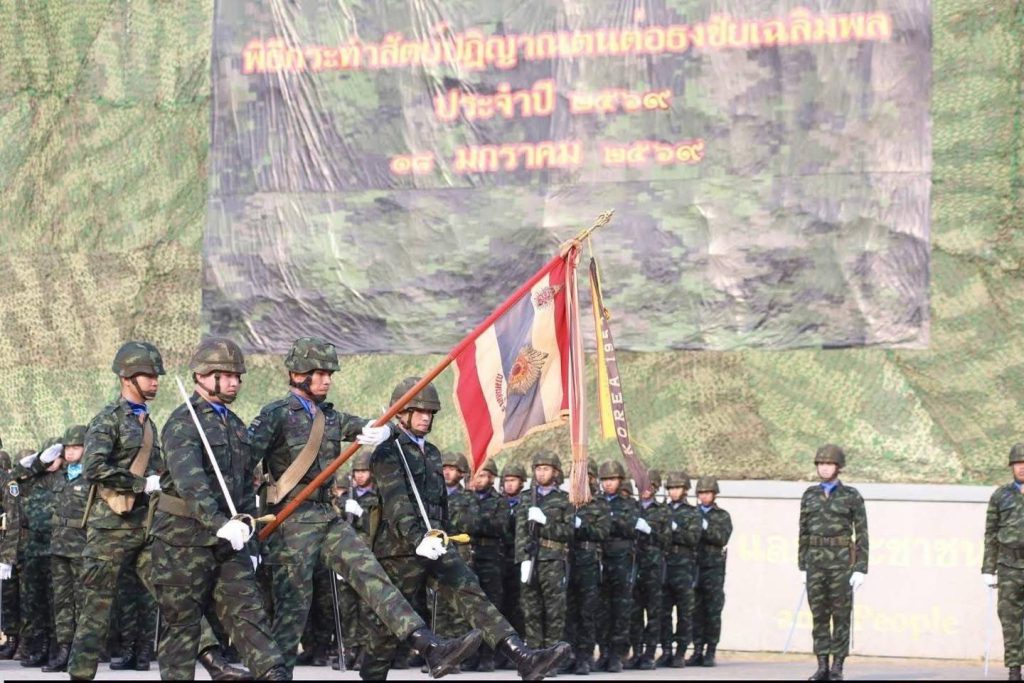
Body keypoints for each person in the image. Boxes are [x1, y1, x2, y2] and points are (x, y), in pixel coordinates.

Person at [249, 338, 480, 679]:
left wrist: (382, 430)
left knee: (373, 576)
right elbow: (243, 463)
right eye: (320, 373)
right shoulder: (276, 415)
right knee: (292, 609)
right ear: (298, 374)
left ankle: (428, 645)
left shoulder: (329, 417)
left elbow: (367, 425)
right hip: (290, 521)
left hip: (326, 517)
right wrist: (247, 519)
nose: (327, 380)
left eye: (329, 374)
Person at [361, 376, 571, 681]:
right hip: (399, 549)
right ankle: (372, 675)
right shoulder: (387, 451)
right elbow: (397, 504)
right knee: (388, 624)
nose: (426, 417)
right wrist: (418, 538)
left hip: (436, 542)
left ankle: (522, 656)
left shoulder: (432, 452)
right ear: (400, 413)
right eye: (419, 411)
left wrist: (443, 536)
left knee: (471, 591)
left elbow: (439, 502)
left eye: (430, 412)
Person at [150, 338, 289, 680]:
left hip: (230, 540)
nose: (234, 382)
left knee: (249, 614)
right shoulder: (182, 423)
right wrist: (218, 523)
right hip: (183, 541)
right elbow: (190, 483)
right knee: (182, 625)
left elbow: (244, 486)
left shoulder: (236, 426)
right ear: (201, 376)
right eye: (225, 375)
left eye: (237, 376)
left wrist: (249, 532)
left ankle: (273, 674)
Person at [68, 341, 164, 681]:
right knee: (97, 607)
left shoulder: (148, 423)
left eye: (156, 376)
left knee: (174, 594)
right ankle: (80, 674)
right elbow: (93, 468)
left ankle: (211, 660)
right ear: (127, 378)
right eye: (149, 376)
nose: (155, 382)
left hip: (145, 526)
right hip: (110, 527)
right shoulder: (108, 419)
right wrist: (139, 484)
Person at [800, 445, 868, 682]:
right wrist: (802, 565)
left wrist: (860, 568)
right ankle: (822, 666)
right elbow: (803, 532)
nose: (824, 468)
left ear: (838, 467)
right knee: (819, 616)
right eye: (821, 464)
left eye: (829, 464)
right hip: (815, 563)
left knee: (840, 615)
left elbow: (862, 533)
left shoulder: (851, 495)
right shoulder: (809, 495)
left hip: (841, 564)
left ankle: (837, 666)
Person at [515, 451, 572, 651]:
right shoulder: (526, 498)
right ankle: (534, 653)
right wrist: (522, 558)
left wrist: (546, 522)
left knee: (554, 610)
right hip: (530, 559)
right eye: (538, 469)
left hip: (553, 560)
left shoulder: (565, 500)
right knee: (530, 609)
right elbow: (520, 531)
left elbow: (569, 532)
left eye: (546, 469)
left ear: (555, 472)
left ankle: (552, 654)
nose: (541, 473)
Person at [44, 426, 90, 673]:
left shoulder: (92, 477)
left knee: (83, 600)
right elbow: (24, 473)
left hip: (82, 546)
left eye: (76, 447)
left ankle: (80, 652)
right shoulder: (59, 476)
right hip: (58, 546)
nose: (70, 452)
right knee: (61, 600)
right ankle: (64, 648)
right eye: (67, 448)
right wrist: (47, 459)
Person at [983, 444, 1024, 682]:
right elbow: (991, 534)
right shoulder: (1000, 496)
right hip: (1009, 567)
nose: (1021, 468)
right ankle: (1014, 670)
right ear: (1011, 467)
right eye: (1017, 463)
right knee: (1010, 621)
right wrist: (988, 569)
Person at [596, 460, 639, 672]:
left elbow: (630, 528)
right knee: (601, 609)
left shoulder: (629, 504)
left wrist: (608, 520)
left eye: (612, 479)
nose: (608, 483)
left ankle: (617, 654)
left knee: (620, 609)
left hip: (621, 560)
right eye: (605, 479)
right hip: (600, 558)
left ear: (620, 480)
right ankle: (604, 652)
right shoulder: (596, 502)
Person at [687, 476, 733, 668]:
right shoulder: (692, 513)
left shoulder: (722, 516)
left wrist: (705, 527)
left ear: (714, 494)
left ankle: (710, 650)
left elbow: (722, 538)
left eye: (708, 493)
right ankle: (697, 649)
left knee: (712, 610)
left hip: (713, 568)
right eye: (701, 493)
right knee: (695, 609)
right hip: (694, 566)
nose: (704, 496)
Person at [628, 469, 669, 670]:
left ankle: (649, 654)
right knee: (634, 612)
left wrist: (650, 531)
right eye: (642, 485)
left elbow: (667, 540)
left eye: (649, 485)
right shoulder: (632, 508)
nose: (645, 489)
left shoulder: (663, 511)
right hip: (634, 565)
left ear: (655, 487)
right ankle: (636, 652)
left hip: (652, 567)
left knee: (653, 612)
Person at [659, 470, 701, 668]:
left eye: (677, 488)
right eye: (671, 488)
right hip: (665, 564)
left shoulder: (693, 513)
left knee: (685, 613)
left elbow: (693, 538)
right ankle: (666, 650)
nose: (674, 492)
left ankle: (680, 652)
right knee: (663, 611)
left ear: (685, 490)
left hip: (683, 566)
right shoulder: (663, 510)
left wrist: (676, 530)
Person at [469, 459, 506, 672]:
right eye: (475, 475)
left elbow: (500, 526)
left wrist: (474, 521)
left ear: (491, 478)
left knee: (490, 608)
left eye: (482, 475)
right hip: (468, 556)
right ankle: (470, 654)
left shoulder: (499, 501)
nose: (478, 480)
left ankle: (487, 655)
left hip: (490, 558)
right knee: (470, 607)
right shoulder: (466, 498)